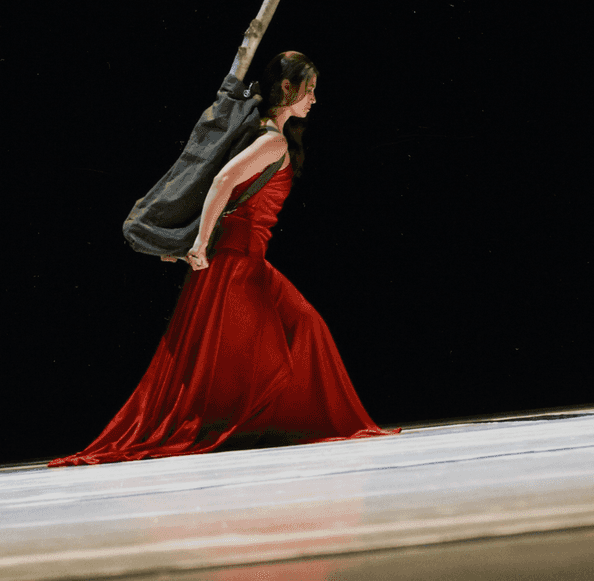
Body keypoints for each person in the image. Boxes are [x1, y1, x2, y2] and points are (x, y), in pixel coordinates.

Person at [48, 51, 399, 464]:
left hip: (247, 260)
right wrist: (197, 242)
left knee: (302, 327)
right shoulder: (270, 140)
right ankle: (258, 425)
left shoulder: (265, 134)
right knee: (270, 345)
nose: (314, 100)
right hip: (235, 263)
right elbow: (222, 179)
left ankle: (276, 425)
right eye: (310, 90)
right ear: (286, 87)